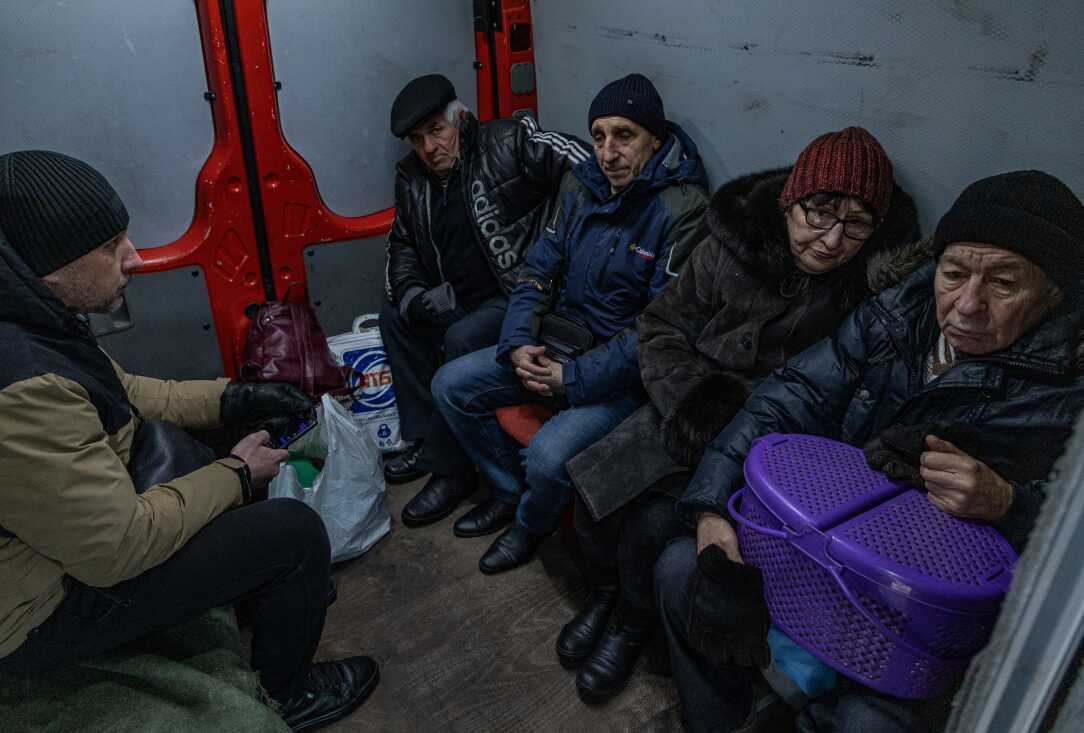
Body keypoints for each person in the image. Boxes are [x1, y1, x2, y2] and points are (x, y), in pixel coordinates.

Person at [654, 170, 1084, 732]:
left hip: (920, 611)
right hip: (829, 545)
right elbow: (791, 395)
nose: (968, 305)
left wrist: (1007, 503)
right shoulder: (898, 311)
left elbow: (1068, 564)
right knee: (682, 567)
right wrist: (711, 510)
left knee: (871, 721)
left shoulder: (1067, 389)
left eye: (1003, 284)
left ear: (1054, 292)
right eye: (953, 274)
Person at [0, 151, 377, 732]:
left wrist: (235, 397)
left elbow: (128, 393)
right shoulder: (15, 384)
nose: (133, 258)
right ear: (49, 267)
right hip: (34, 610)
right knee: (293, 533)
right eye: (109, 245)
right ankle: (286, 695)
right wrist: (238, 474)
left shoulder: (28, 315)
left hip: (66, 539)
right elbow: (114, 550)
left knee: (209, 438)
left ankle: (258, 587)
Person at [560, 127, 923, 703]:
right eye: (819, 212)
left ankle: (631, 621)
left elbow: (834, 399)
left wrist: (743, 429)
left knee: (655, 524)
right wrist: (693, 401)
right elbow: (660, 326)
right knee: (591, 489)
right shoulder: (732, 245)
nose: (831, 240)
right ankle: (604, 596)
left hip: (769, 443)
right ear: (788, 201)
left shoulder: (869, 293)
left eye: (856, 225)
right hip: (688, 399)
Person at [432, 73, 710, 574]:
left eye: (624, 135)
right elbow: (538, 269)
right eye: (599, 135)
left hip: (618, 374)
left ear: (655, 137)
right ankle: (506, 490)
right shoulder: (581, 183)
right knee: (450, 385)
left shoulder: (682, 210)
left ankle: (529, 523)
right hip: (558, 340)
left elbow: (657, 328)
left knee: (547, 456)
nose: (608, 152)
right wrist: (518, 342)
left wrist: (572, 379)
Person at [380, 74, 589, 530]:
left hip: (514, 293)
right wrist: (414, 295)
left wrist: (557, 237)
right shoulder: (413, 180)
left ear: (461, 117)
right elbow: (401, 247)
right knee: (394, 317)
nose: (429, 147)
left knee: (461, 337)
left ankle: (449, 470)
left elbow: (581, 161)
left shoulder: (507, 140)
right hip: (456, 294)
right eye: (418, 139)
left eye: (437, 130)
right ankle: (423, 439)